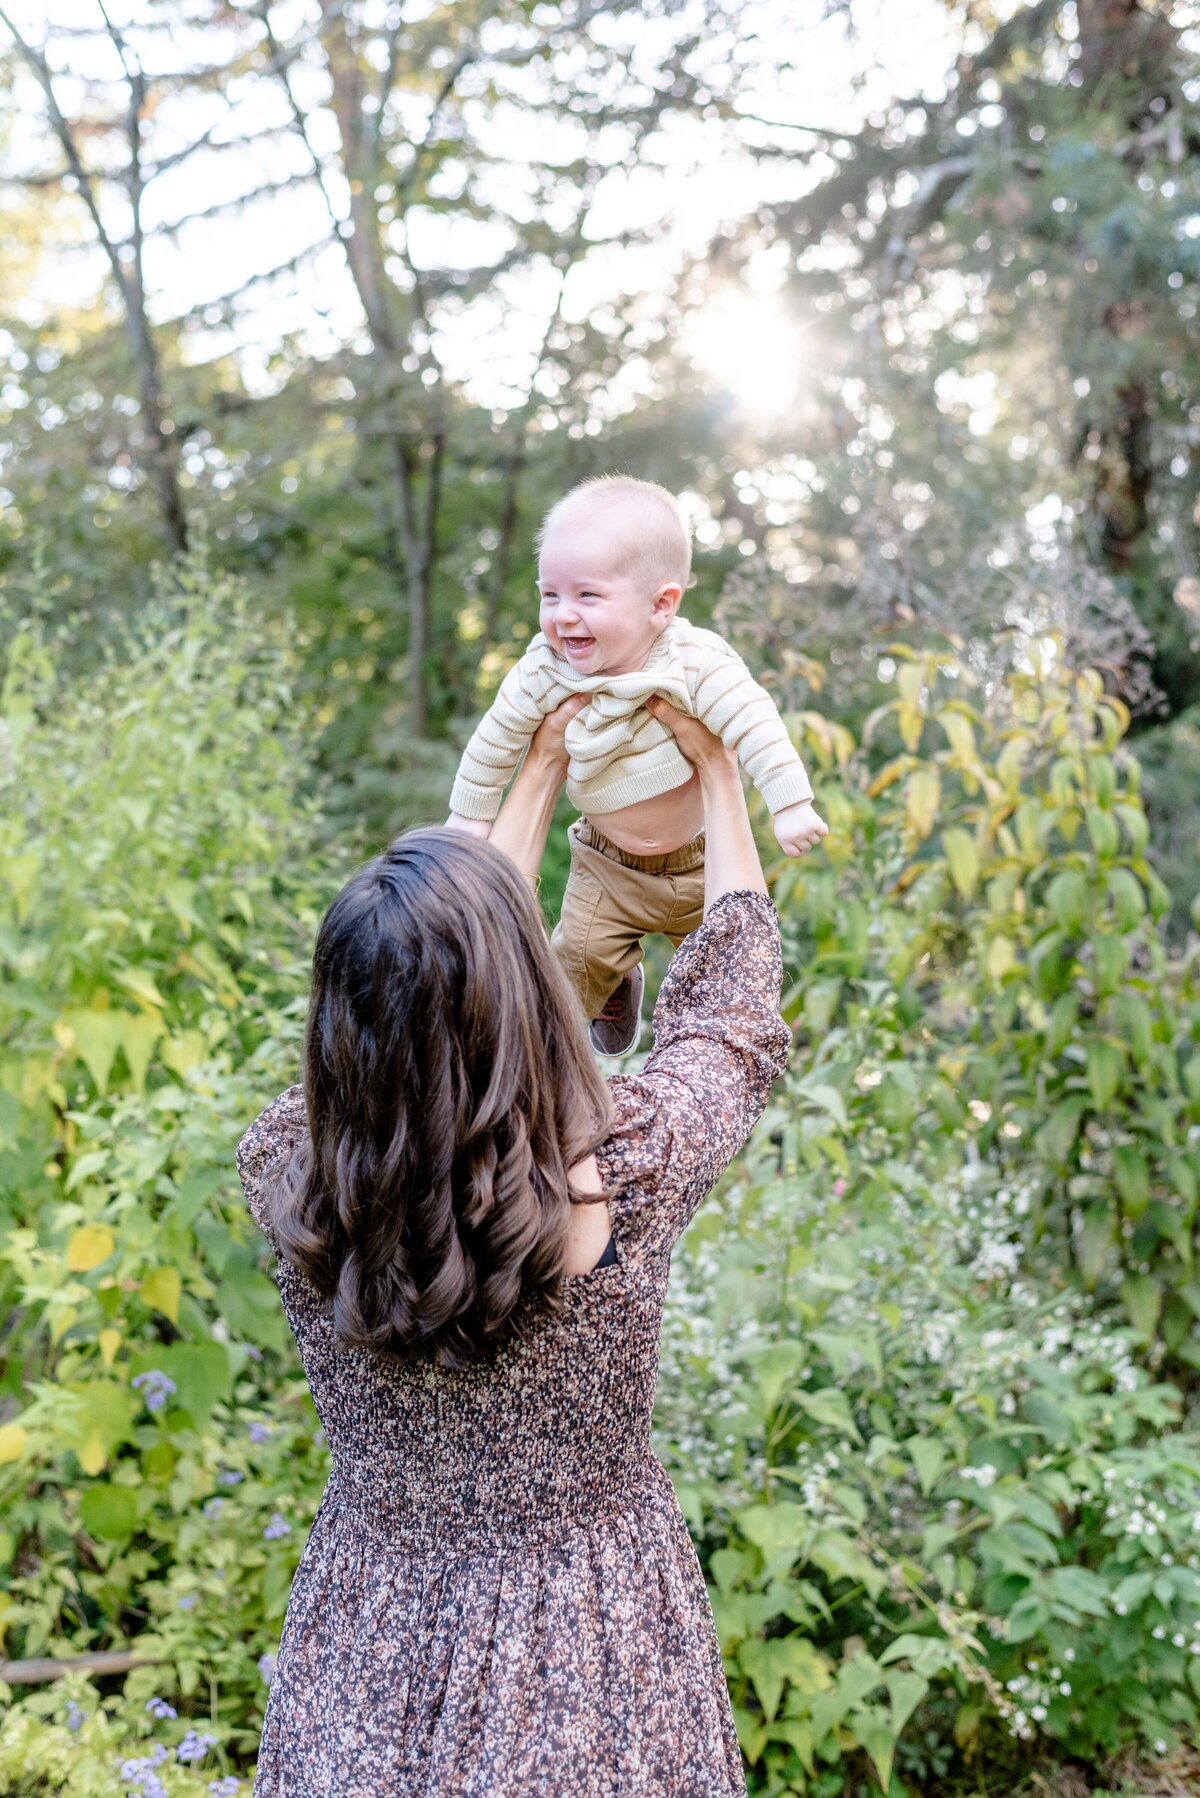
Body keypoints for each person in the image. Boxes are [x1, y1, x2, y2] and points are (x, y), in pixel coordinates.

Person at [236, 693, 803, 1798]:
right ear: (524, 986)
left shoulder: (290, 1172)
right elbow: (729, 1020)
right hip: (591, 1635)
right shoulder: (619, 1168)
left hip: (370, 1633)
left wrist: (538, 767)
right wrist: (724, 786)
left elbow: (450, 975)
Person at [446, 474, 828, 1054]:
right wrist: (469, 820)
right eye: (550, 594)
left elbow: (756, 721)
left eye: (587, 596)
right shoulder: (544, 668)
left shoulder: (694, 661)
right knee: (566, 969)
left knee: (736, 970)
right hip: (607, 864)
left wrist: (791, 803)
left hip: (703, 859)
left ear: (661, 605)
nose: (563, 616)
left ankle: (735, 1046)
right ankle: (609, 983)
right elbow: (493, 743)